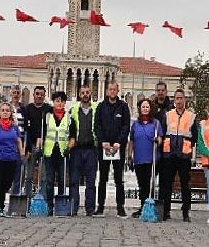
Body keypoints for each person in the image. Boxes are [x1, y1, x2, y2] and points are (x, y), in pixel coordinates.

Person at [93, 82, 131, 218]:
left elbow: (126, 125)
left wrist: (119, 142)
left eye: (115, 89)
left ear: (118, 91)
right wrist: (103, 141)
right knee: (102, 178)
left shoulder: (123, 107)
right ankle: (100, 207)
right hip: (104, 147)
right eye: (110, 89)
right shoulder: (101, 107)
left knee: (118, 179)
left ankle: (120, 207)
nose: (113, 91)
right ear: (107, 91)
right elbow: (97, 125)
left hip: (117, 148)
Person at [161, 88, 198, 222]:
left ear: (185, 100)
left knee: (184, 185)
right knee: (167, 184)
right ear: (174, 100)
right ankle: (166, 211)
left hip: (184, 155)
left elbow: (195, 136)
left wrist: (189, 148)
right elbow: (163, 132)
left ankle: (185, 212)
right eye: (177, 98)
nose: (179, 101)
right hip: (169, 154)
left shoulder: (191, 116)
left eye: (181, 98)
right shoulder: (167, 115)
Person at [0, 102, 25, 216]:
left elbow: (18, 141)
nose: (5, 112)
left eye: (7, 110)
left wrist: (22, 155)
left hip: (11, 159)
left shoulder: (14, 128)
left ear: (10, 113)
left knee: (6, 184)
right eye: (3, 110)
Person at [42, 91, 76, 214]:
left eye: (61, 101)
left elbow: (72, 136)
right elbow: (43, 133)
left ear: (65, 103)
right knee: (49, 181)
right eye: (57, 101)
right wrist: (41, 147)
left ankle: (60, 206)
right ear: (53, 102)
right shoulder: (47, 116)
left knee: (62, 180)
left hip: (63, 153)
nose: (59, 103)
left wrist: (69, 147)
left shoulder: (69, 118)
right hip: (49, 152)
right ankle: (49, 206)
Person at [128, 98, 163, 218]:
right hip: (138, 158)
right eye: (143, 107)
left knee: (148, 184)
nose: (145, 109)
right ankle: (142, 206)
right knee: (141, 183)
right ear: (140, 109)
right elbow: (131, 141)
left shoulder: (156, 123)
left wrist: (157, 141)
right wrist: (129, 156)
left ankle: (149, 206)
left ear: (150, 109)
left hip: (150, 158)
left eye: (147, 107)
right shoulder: (135, 125)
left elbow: (160, 139)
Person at [69, 85, 99, 216]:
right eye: (83, 93)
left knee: (91, 181)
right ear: (79, 94)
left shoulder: (96, 109)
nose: (85, 95)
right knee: (74, 180)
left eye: (87, 92)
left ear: (90, 94)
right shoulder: (73, 110)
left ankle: (90, 208)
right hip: (77, 149)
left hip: (91, 149)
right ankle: (73, 207)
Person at [24, 86, 52, 198]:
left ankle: (42, 200)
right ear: (34, 95)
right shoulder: (28, 109)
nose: (39, 96)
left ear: (44, 96)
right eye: (37, 94)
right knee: (29, 175)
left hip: (45, 145)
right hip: (31, 145)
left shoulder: (48, 109)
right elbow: (26, 128)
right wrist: (28, 148)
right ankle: (28, 199)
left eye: (41, 94)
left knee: (44, 176)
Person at [9, 85, 28, 195]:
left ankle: (16, 193)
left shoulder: (24, 109)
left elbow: (26, 128)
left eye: (18, 93)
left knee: (18, 170)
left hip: (20, 142)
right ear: (11, 94)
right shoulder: (6, 108)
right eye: (14, 92)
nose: (16, 95)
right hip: (8, 142)